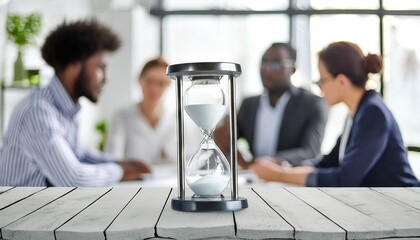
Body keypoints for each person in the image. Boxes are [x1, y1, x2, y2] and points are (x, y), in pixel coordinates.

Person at [0, 19, 150, 187]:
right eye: (100, 67)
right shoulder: (38, 111)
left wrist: (124, 163)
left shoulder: (65, 109)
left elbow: (80, 154)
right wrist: (121, 170)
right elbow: (72, 178)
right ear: (74, 64)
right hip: (22, 212)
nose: (106, 78)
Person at [249, 41, 420, 187]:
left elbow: (345, 179)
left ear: (341, 81)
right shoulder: (357, 113)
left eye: (322, 80)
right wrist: (284, 166)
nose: (320, 87)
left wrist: (280, 175)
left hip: (403, 208)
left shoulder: (373, 113)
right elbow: (327, 162)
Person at [216, 42, 328, 168]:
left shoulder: (312, 104)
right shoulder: (249, 105)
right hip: (254, 178)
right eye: (264, 63)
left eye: (275, 64)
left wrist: (263, 163)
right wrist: (223, 137)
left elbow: (311, 152)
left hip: (291, 180)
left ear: (292, 69)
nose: (267, 70)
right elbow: (226, 136)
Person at [105, 57, 176, 165]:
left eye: (161, 83)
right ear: (140, 80)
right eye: (150, 81)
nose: (154, 88)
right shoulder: (121, 117)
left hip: (167, 181)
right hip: (132, 181)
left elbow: (188, 158)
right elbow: (113, 159)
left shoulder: (177, 120)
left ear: (168, 86)